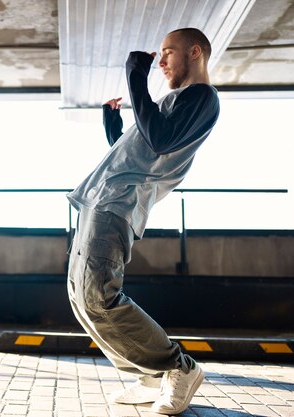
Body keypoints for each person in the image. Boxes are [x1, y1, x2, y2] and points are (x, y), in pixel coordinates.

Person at [66, 28, 220, 415]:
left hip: (117, 205)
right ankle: (150, 375)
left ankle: (178, 367)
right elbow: (136, 153)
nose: (161, 61)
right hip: (100, 200)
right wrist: (112, 126)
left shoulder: (202, 97)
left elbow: (161, 140)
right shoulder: (175, 102)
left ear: (195, 52)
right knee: (81, 300)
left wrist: (136, 76)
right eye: (161, 54)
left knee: (99, 296)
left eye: (168, 52)